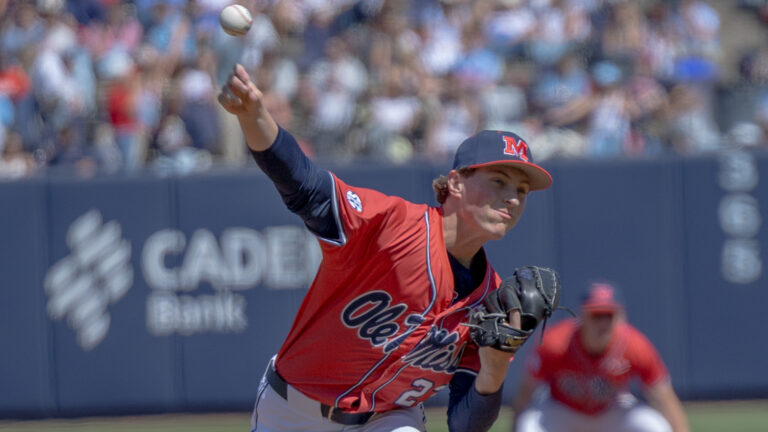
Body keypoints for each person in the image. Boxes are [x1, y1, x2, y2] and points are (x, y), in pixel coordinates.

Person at [217, 63, 553, 432]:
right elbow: (306, 187)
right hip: (294, 410)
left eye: (521, 192)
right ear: (456, 183)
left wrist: (494, 368)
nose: (512, 199)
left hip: (388, 418)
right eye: (499, 181)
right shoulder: (395, 225)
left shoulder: (489, 301)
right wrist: (255, 118)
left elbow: (463, 425)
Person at [512, 281, 690, 432]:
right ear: (582, 316)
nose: (603, 323)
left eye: (609, 315)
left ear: (621, 318)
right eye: (596, 315)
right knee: (528, 426)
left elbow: (665, 399)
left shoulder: (635, 347)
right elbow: (525, 393)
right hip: (562, 410)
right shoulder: (555, 343)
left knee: (655, 426)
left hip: (611, 410)